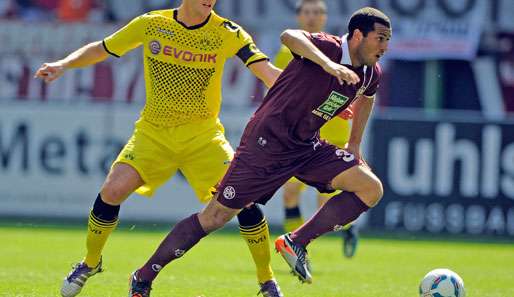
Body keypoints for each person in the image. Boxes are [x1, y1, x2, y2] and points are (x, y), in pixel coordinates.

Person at [127, 6, 391, 295]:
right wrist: (329, 65)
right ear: (356, 35)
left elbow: (367, 97)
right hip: (266, 143)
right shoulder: (328, 47)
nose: (384, 46)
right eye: (379, 38)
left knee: (370, 188)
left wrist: (354, 145)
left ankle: (296, 242)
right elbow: (289, 36)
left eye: (387, 39)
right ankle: (143, 276)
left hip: (306, 146)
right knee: (214, 217)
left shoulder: (369, 73)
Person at [34, 1, 284, 296]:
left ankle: (266, 280)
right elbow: (103, 47)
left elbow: (266, 72)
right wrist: (63, 64)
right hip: (153, 134)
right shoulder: (152, 23)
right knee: (112, 190)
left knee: (244, 200)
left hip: (203, 137)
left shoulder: (227, 31)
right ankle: (90, 262)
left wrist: (311, 95)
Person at [274, 0, 359, 259]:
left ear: (324, 17)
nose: (312, 17)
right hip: (300, 133)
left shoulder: (334, 48)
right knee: (289, 193)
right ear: (299, 17)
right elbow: (280, 89)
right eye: (307, 12)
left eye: (317, 12)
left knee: (324, 201)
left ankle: (346, 226)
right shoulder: (286, 51)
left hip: (332, 130)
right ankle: (297, 247)